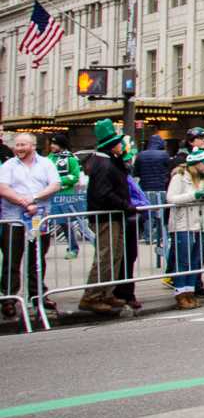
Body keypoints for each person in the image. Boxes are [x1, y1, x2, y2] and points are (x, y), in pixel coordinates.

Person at [0, 133, 62, 319]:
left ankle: (38, 295)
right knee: (12, 258)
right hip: (14, 219)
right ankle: (9, 298)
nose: (19, 148)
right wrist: (24, 202)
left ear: (33, 146)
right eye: (17, 145)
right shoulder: (9, 165)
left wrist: (35, 198)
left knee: (37, 258)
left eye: (23, 145)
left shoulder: (46, 164)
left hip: (39, 219)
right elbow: (3, 188)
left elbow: (55, 184)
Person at [79, 120, 134, 314]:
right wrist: (125, 205)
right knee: (106, 256)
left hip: (114, 215)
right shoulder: (103, 164)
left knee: (115, 255)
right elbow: (104, 193)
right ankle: (91, 296)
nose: (122, 146)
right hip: (105, 217)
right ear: (112, 145)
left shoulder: (109, 161)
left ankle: (107, 292)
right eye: (119, 143)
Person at [165, 149, 204, 309]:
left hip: (199, 223)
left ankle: (190, 293)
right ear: (195, 165)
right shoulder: (179, 177)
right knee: (183, 260)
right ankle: (180, 294)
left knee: (195, 261)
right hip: (183, 224)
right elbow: (171, 198)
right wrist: (194, 195)